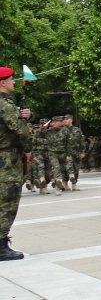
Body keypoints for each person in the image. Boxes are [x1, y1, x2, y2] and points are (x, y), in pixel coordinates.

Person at [0, 66, 33, 261]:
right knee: (7, 203)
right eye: (11, 79)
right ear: (2, 82)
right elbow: (20, 130)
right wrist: (28, 148)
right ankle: (1, 246)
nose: (14, 82)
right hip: (6, 161)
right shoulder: (4, 104)